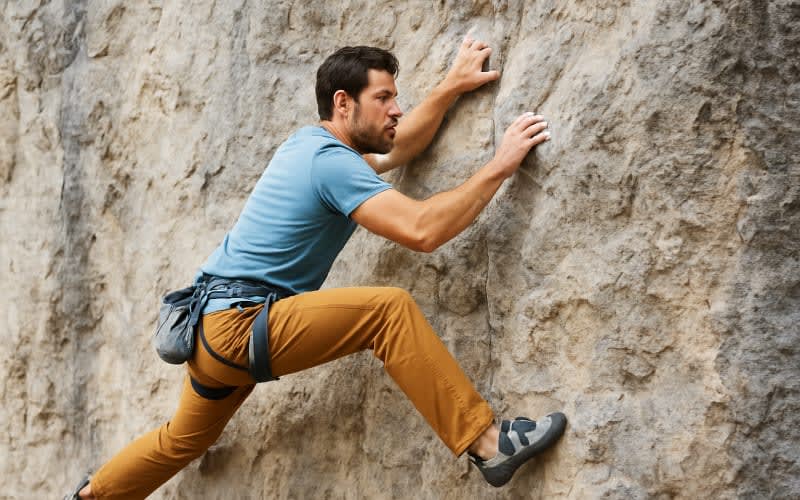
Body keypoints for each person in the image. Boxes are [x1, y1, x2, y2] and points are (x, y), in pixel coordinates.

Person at [65, 36, 566, 499]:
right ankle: (488, 443)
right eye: (383, 98)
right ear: (343, 103)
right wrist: (500, 164)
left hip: (210, 333)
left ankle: (92, 495)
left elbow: (400, 144)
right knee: (386, 311)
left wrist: (450, 87)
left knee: (182, 439)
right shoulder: (328, 162)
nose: (396, 109)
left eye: (396, 99)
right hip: (238, 326)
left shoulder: (315, 148)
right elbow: (422, 230)